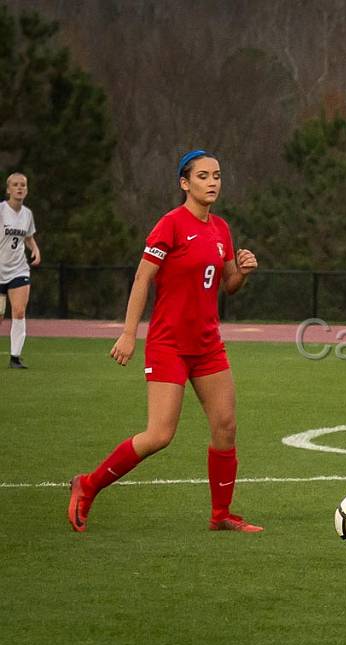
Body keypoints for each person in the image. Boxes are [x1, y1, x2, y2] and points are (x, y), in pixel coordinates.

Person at [67, 150, 263, 533]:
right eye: (203, 176)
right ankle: (87, 485)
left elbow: (229, 285)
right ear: (184, 183)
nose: (212, 182)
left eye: (217, 176)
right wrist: (128, 333)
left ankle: (221, 515)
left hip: (208, 346)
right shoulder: (170, 225)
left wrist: (243, 271)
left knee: (226, 426)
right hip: (169, 345)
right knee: (159, 435)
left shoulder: (220, 229)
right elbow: (142, 279)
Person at [1, 172, 42, 369]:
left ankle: (15, 357)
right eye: (15, 185)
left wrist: (35, 249)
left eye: (23, 185)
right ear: (8, 189)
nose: (19, 188)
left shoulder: (27, 214)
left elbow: (28, 236)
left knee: (18, 311)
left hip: (19, 269)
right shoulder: (1, 211)